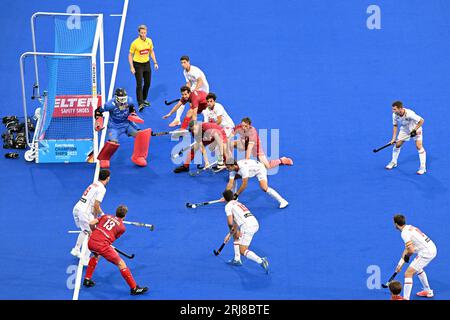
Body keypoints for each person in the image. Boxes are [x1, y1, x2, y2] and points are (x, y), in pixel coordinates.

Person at [83, 205, 148, 295]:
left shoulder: (106, 216)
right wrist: (107, 244)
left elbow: (91, 223)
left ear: (116, 212)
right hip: (102, 246)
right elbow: (111, 238)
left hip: (91, 242)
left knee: (96, 255)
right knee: (121, 263)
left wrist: (94, 232)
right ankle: (134, 288)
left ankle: (87, 279)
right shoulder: (122, 228)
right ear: (125, 216)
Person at [95, 88, 151, 168]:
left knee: (140, 136)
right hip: (114, 127)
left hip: (127, 125)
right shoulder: (109, 105)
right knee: (112, 143)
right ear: (116, 97)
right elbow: (98, 111)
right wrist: (98, 122)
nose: (123, 101)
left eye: (124, 98)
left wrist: (133, 115)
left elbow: (132, 108)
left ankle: (138, 157)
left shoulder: (129, 100)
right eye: (121, 99)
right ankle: (104, 159)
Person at [222, 190, 269, 273]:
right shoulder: (237, 203)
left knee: (242, 250)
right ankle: (237, 259)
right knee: (236, 236)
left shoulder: (228, 206)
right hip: (254, 223)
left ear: (225, 199)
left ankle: (261, 261)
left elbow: (230, 222)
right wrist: (230, 234)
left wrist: (230, 232)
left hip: (247, 227)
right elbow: (236, 221)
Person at [71, 169, 110, 265]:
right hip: (84, 212)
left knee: (85, 230)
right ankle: (85, 259)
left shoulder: (94, 184)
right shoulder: (102, 189)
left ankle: (76, 250)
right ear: (108, 178)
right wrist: (100, 217)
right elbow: (96, 205)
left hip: (77, 208)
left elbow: (93, 204)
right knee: (93, 235)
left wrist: (99, 215)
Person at [393, 214, 437, 300]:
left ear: (396, 224)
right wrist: (400, 265)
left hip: (426, 253)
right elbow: (407, 249)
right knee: (418, 268)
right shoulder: (409, 227)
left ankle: (406, 298)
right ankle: (428, 291)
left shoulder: (404, 234)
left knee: (408, 273)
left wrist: (408, 256)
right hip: (432, 248)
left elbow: (411, 250)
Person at [386, 101, 426, 174]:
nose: (393, 111)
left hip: (415, 129)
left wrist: (414, 130)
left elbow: (421, 120)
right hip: (405, 130)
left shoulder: (410, 114)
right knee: (397, 144)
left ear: (400, 108)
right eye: (392, 109)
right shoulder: (394, 115)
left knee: (419, 146)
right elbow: (395, 126)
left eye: (394, 109)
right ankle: (393, 162)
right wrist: (393, 139)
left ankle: (423, 167)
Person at [168, 56, 209, 127]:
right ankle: (177, 120)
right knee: (183, 99)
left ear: (188, 62)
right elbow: (189, 83)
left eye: (184, 62)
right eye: (181, 63)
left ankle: (205, 121)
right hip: (195, 86)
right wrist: (185, 93)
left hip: (202, 89)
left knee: (199, 107)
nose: (183, 64)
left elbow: (200, 81)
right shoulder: (185, 72)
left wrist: (194, 91)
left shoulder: (194, 70)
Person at [128, 24, 158, 112]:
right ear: (139, 33)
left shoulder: (149, 41)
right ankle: (140, 102)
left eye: (145, 32)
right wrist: (132, 67)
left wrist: (155, 62)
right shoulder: (135, 43)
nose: (143, 34)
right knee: (139, 84)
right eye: (142, 33)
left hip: (147, 64)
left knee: (148, 83)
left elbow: (151, 51)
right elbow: (130, 55)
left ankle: (144, 99)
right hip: (138, 65)